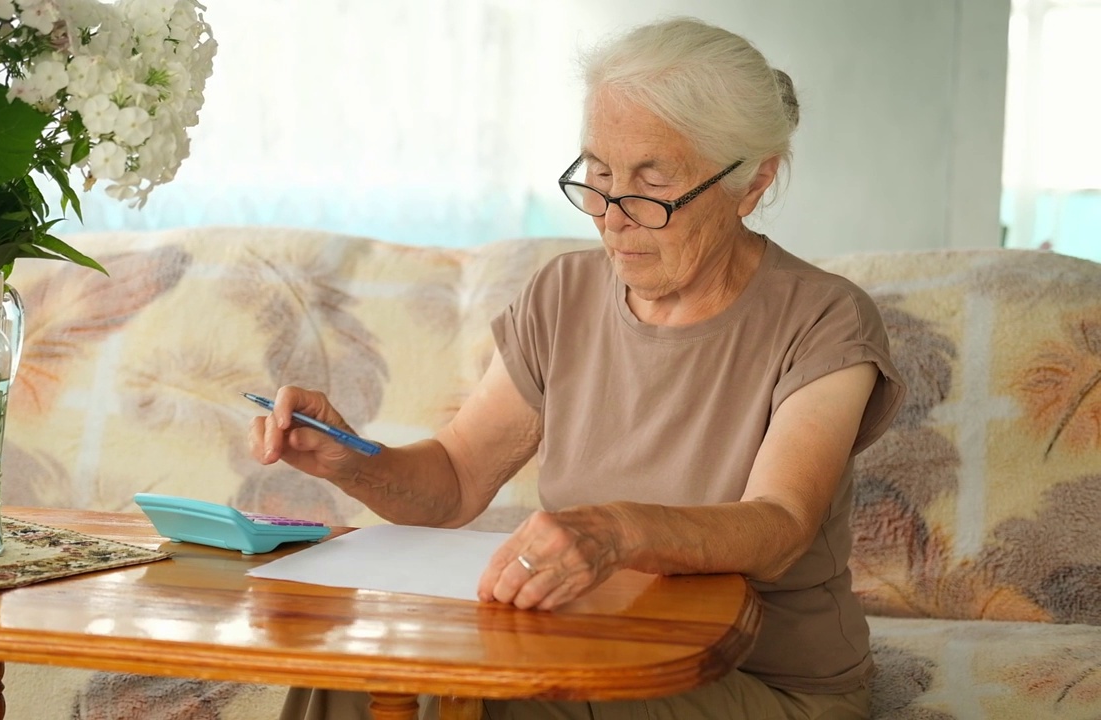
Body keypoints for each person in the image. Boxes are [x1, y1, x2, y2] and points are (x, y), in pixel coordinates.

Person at [250, 16, 905, 720]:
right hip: (593, 643)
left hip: (753, 679)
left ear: (752, 182)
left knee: (511, 703)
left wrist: (618, 532)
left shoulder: (824, 318)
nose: (611, 215)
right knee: (358, 669)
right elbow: (456, 479)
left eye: (651, 183)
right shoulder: (563, 294)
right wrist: (352, 460)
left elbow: (779, 527)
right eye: (597, 174)